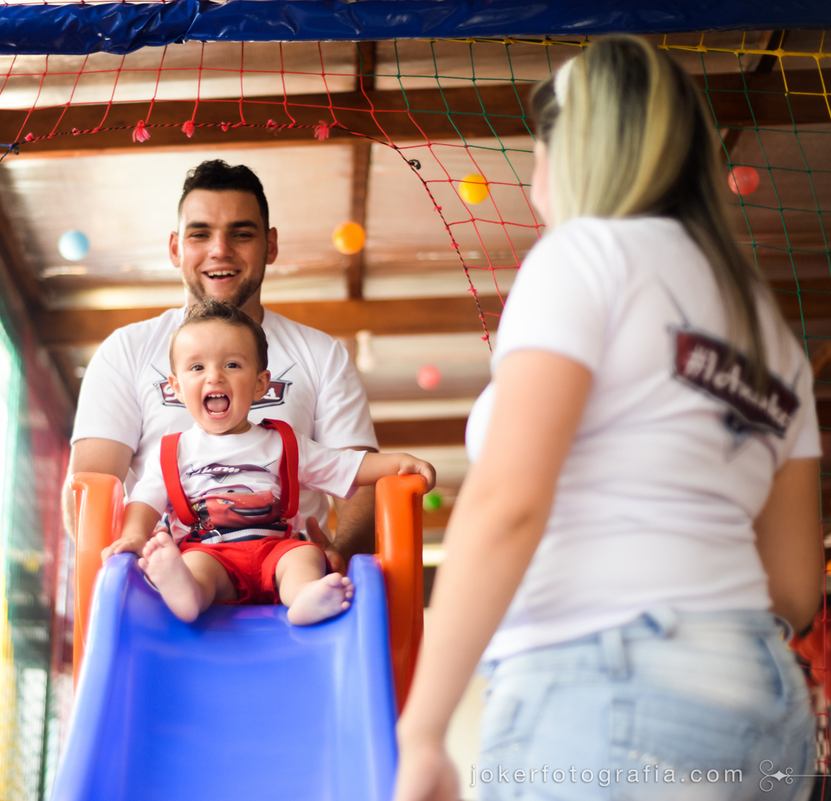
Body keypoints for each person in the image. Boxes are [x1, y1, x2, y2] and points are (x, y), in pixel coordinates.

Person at [394, 36, 823, 801]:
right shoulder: (768, 327)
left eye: (537, 160)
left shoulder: (584, 256)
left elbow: (508, 502)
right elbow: (793, 587)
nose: (532, 188)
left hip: (608, 686)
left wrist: (421, 730)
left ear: (578, 154)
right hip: (764, 705)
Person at [66, 160, 380, 567]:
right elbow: (91, 487)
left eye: (241, 233)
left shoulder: (322, 354)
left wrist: (342, 555)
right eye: (201, 234)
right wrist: (125, 572)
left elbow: (361, 481)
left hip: (287, 584)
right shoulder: (126, 350)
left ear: (270, 245)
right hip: (162, 586)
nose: (220, 249)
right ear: (176, 248)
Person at [101, 300, 434, 625]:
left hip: (276, 549)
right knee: (196, 567)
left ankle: (304, 597)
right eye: (197, 367)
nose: (214, 377)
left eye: (232, 365)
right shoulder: (171, 452)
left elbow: (346, 466)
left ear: (261, 384)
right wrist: (133, 536)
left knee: (304, 556)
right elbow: (144, 500)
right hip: (210, 552)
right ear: (175, 387)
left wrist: (398, 462)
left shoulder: (283, 443)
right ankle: (187, 593)